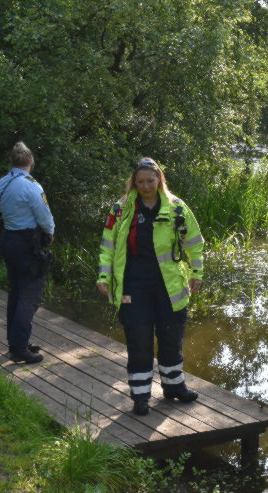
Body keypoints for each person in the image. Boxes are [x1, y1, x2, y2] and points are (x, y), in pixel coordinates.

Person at [96, 158, 204, 416]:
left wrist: (197, 272)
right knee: (139, 339)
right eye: (140, 181)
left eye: (150, 181)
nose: (145, 186)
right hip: (133, 284)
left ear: (160, 180)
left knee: (171, 335)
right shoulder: (121, 209)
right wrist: (103, 276)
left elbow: (194, 242)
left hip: (170, 285)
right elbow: (107, 244)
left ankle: (174, 386)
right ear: (134, 182)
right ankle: (141, 396)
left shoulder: (177, 207)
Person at [0, 142, 54, 364]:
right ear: (31, 162)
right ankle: (19, 348)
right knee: (30, 294)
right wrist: (50, 233)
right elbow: (44, 216)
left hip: (8, 238)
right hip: (28, 242)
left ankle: (17, 341)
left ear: (12, 161)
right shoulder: (31, 186)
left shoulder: (2, 182)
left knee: (16, 292)